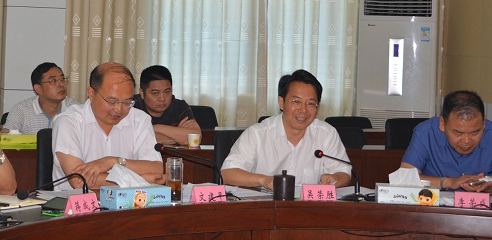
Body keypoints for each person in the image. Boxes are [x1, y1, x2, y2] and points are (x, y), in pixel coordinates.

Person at [221, 69, 352, 189]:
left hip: (309, 206)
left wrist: (335, 178)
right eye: (296, 102)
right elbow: (228, 173)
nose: (303, 110)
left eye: (311, 103)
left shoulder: (326, 134)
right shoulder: (257, 134)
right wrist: (265, 181)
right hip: (267, 205)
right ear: (281, 102)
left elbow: (344, 171)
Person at [52, 62, 164, 190]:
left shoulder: (140, 120)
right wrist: (139, 181)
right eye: (112, 101)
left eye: (127, 102)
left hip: (128, 202)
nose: (119, 109)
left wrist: (112, 162)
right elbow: (79, 180)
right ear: (91, 93)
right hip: (76, 202)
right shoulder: (68, 121)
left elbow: (156, 169)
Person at [400, 90, 492, 195]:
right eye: (458, 133)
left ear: (483, 123)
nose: (466, 141)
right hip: (432, 202)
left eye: (475, 133)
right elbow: (403, 179)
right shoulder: (426, 132)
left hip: (482, 204)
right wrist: (448, 182)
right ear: (442, 124)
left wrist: (491, 188)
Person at [3, 62, 78, 134]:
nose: (61, 84)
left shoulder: (76, 110)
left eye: (62, 79)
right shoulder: (21, 111)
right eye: (53, 81)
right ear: (38, 89)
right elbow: (6, 138)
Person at [133, 65, 200, 145]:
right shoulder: (132, 107)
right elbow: (131, 139)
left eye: (167, 92)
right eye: (155, 93)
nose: (162, 99)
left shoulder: (179, 106)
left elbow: (196, 138)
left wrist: (155, 128)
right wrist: (178, 134)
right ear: (142, 93)